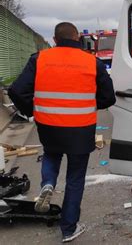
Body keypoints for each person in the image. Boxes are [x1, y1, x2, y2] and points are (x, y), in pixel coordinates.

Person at [8, 22, 116, 242]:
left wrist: (31, 110)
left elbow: (16, 90)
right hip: (81, 128)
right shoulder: (92, 62)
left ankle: (47, 184)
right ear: (77, 38)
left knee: (51, 154)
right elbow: (108, 97)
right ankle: (68, 229)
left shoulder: (39, 59)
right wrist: (92, 102)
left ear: (55, 40)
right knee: (75, 178)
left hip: (49, 126)